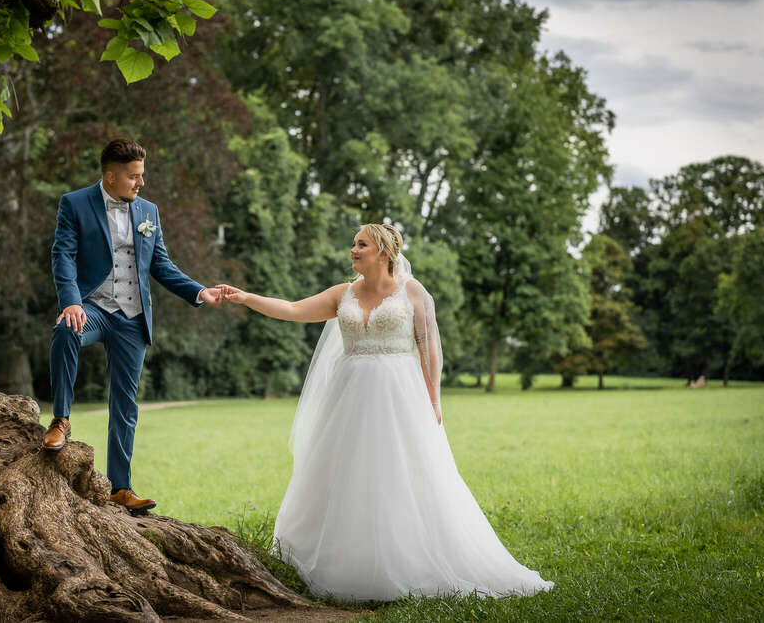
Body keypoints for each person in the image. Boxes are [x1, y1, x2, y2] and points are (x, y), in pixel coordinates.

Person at [217, 224, 554, 601]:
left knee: (401, 473)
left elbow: (429, 348)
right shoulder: (342, 294)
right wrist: (246, 297)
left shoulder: (412, 292)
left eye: (361, 244)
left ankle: (406, 558)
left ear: (382, 251)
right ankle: (342, 560)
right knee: (345, 473)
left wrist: (434, 399)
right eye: (353, 244)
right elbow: (294, 309)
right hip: (347, 398)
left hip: (399, 397)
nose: (353, 250)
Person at [47, 138, 223, 513]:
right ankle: (61, 420)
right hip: (92, 306)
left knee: (125, 405)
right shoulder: (74, 204)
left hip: (131, 318)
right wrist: (71, 301)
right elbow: (63, 254)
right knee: (65, 329)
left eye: (142, 176)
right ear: (110, 176)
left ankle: (120, 488)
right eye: (134, 177)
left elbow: (160, 265)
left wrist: (199, 292)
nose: (140, 183)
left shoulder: (148, 212)